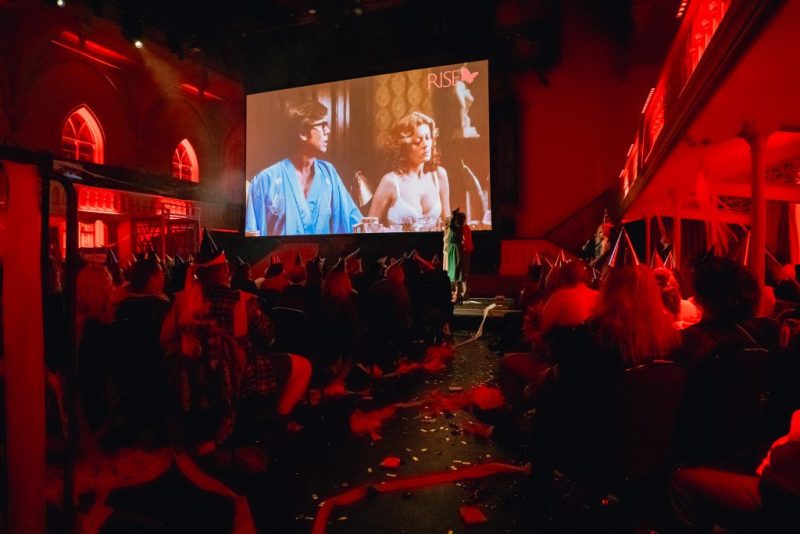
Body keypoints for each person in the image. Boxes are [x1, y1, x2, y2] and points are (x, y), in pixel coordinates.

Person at [245, 100, 362, 236]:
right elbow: (252, 234)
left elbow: (354, 221)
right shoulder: (265, 181)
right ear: (303, 133)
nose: (328, 131)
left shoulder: (329, 174)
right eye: (322, 125)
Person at [368, 112, 450, 228]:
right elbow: (369, 228)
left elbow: (448, 225)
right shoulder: (390, 182)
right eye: (417, 141)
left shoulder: (439, 176)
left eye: (428, 138)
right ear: (404, 147)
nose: (425, 145)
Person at [443, 209, 466, 303]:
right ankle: (457, 294)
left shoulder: (457, 228)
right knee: (454, 272)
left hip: (455, 250)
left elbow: (451, 225)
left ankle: (458, 294)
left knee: (456, 272)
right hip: (453, 250)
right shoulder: (457, 227)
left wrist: (454, 214)